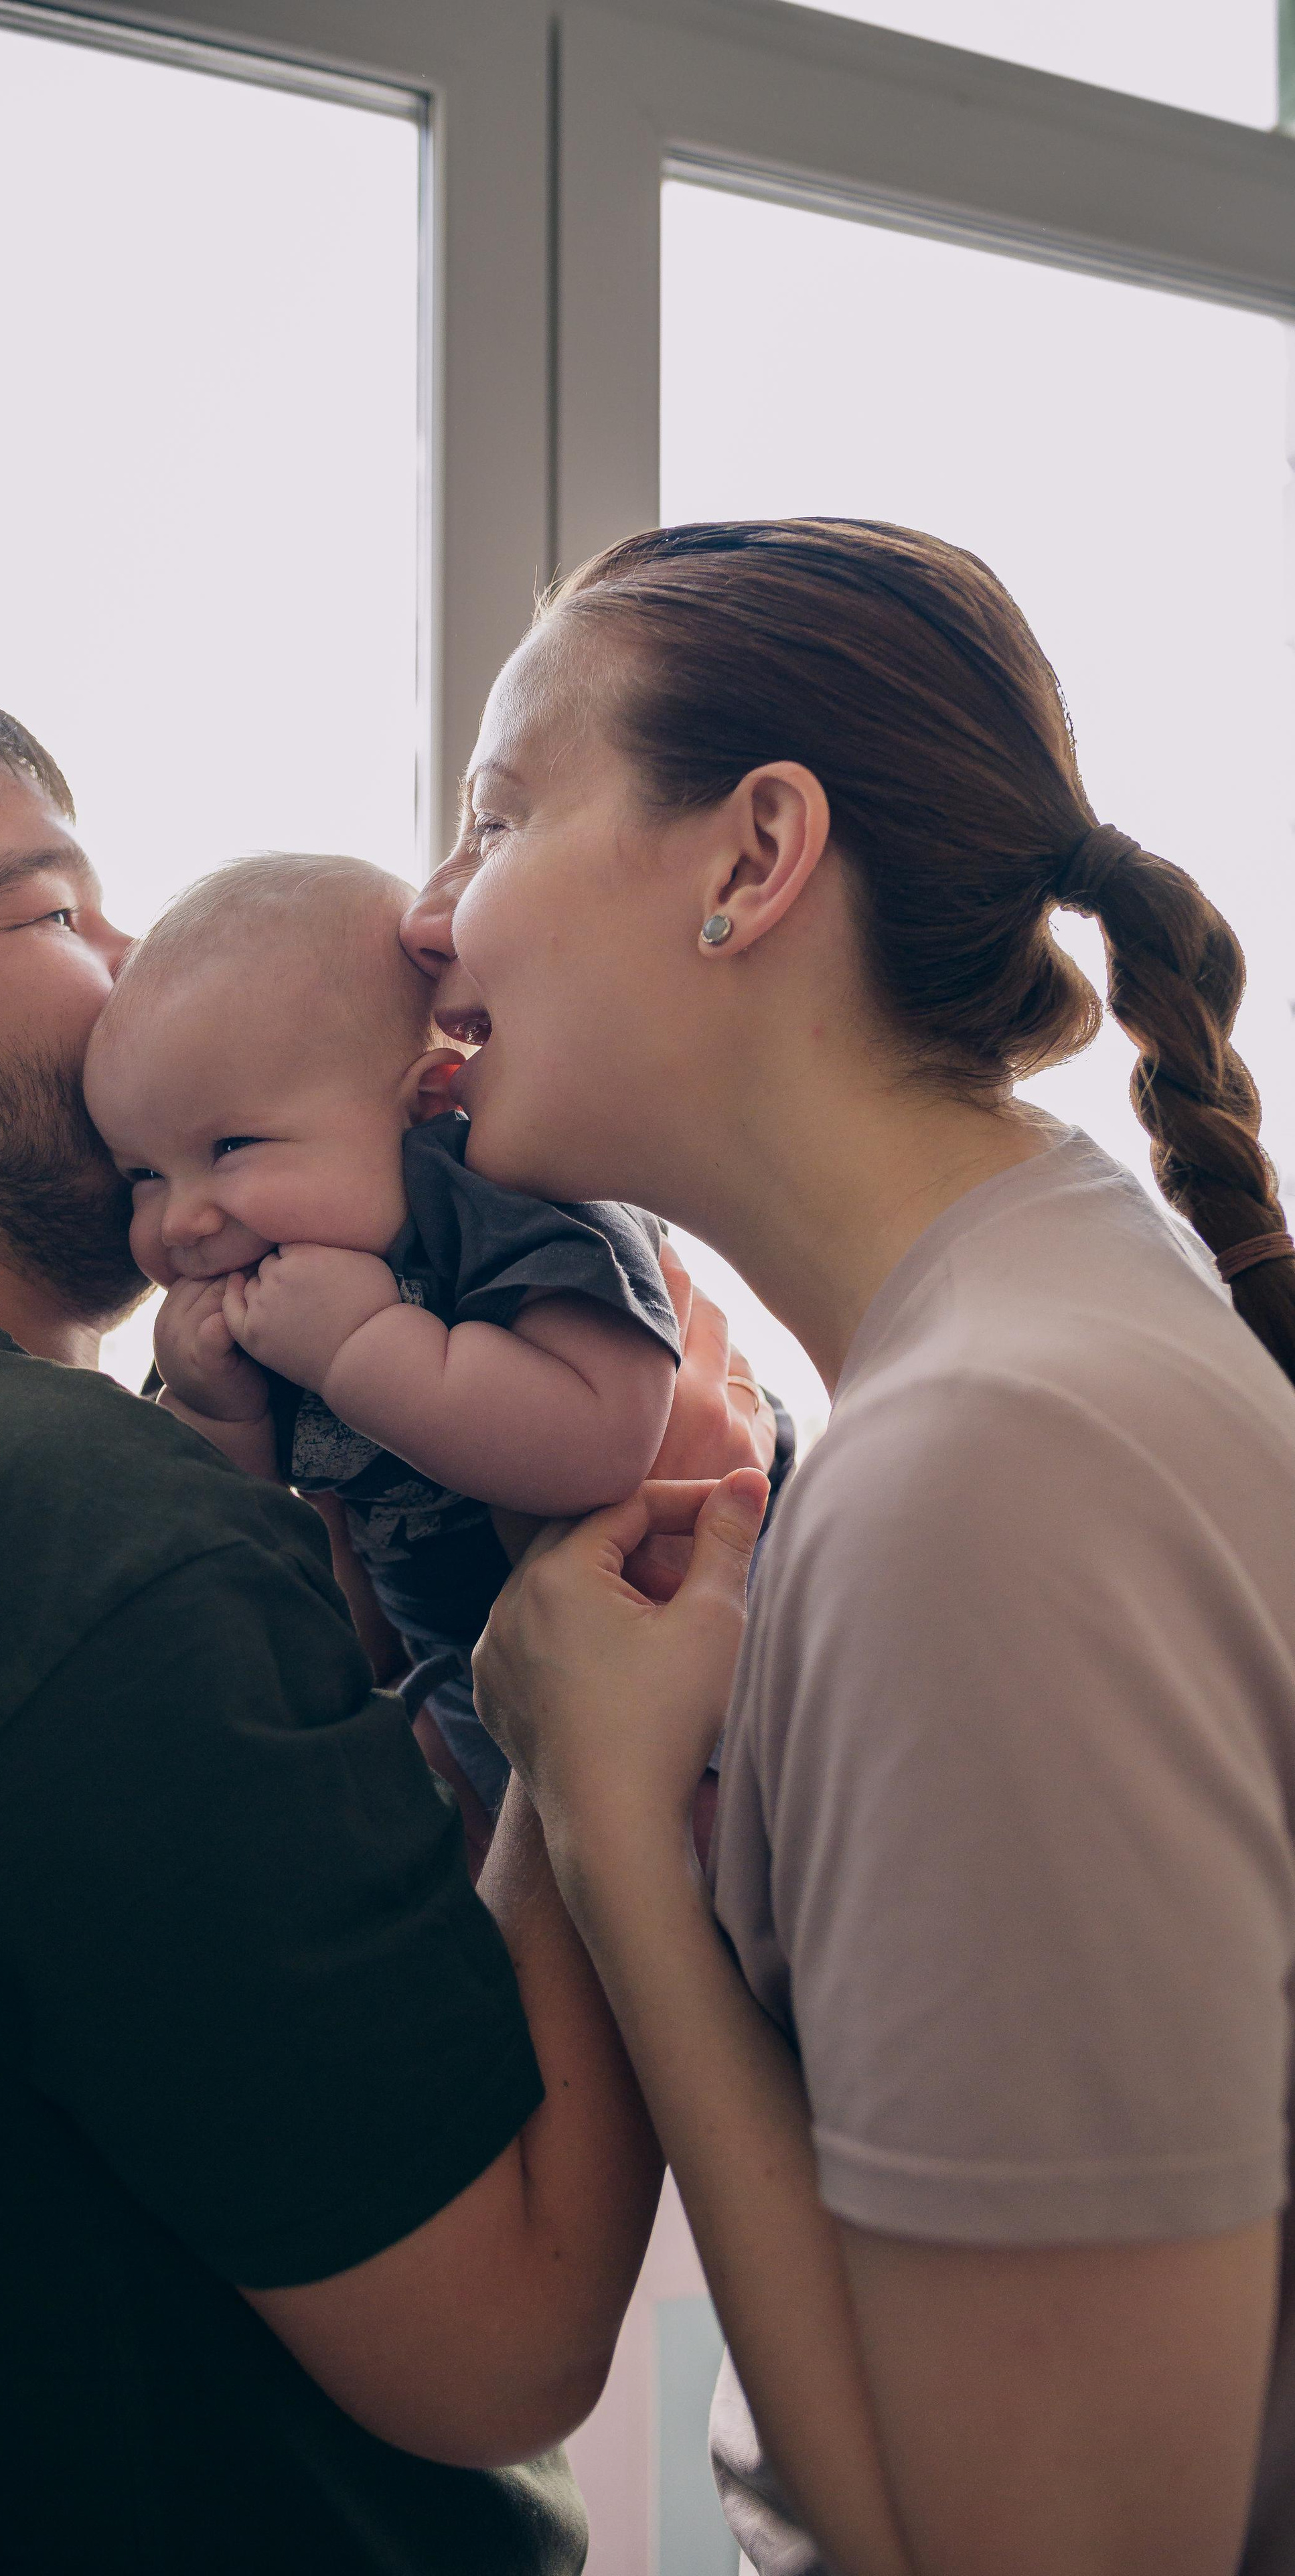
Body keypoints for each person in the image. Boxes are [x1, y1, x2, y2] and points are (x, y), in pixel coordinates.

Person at [0, 680, 767, 2575]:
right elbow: (502, 2345)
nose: (140, 977)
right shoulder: (40, 1521)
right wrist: (579, 1702)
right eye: (53, 915)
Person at [400, 518, 1295, 2576]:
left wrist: (613, 1824)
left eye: (497, 817)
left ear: (752, 857)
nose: (422, 925)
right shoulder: (1023, 1354)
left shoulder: (992, 1472)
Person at [83, 849, 696, 1819]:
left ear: (427, 1101)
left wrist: (362, 1347)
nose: (180, 1221)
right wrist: (222, 1418)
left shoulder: (506, 1202)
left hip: (686, 1655)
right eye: (142, 1176)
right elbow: (252, 1556)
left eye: (229, 1149)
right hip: (462, 1677)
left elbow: (602, 1440)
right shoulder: (256, 1298)